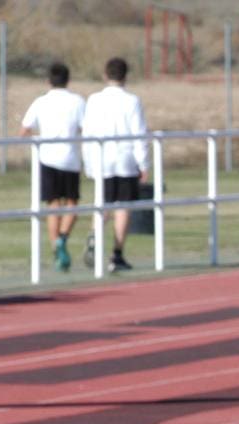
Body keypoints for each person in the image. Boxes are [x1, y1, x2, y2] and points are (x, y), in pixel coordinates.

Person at [81, 57, 146, 273]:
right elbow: (139, 133)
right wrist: (144, 163)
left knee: (103, 203)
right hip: (125, 159)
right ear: (125, 76)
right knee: (123, 207)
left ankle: (94, 236)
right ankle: (117, 253)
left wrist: (89, 161)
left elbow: (87, 133)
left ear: (105, 75)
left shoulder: (93, 100)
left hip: (101, 159)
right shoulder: (132, 101)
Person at [21, 62, 85, 272]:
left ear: (48, 81)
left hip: (47, 158)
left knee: (53, 204)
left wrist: (37, 140)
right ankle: (62, 239)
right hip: (70, 158)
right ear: (68, 80)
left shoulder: (41, 102)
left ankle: (55, 247)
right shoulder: (77, 101)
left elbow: (24, 130)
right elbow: (86, 128)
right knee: (72, 202)